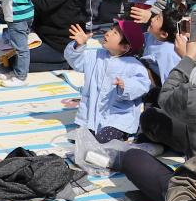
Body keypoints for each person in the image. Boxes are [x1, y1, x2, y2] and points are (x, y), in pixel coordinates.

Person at [63, 19, 150, 172]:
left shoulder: (134, 65)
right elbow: (76, 62)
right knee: (79, 138)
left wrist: (126, 86)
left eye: (115, 33)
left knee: (101, 141)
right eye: (110, 29)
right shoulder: (96, 55)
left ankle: (111, 157)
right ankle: (94, 154)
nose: (108, 33)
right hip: (91, 117)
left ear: (125, 47)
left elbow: (143, 85)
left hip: (117, 118)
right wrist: (79, 45)